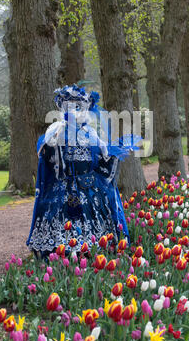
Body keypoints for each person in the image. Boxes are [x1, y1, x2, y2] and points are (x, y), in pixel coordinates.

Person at [26, 84, 140, 259]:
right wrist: (55, 144)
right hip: (62, 187)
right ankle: (59, 252)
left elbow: (102, 156)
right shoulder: (55, 131)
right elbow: (46, 155)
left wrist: (114, 154)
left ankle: (91, 250)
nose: (73, 111)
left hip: (88, 186)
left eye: (78, 107)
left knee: (93, 215)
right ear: (62, 107)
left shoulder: (91, 133)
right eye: (69, 106)